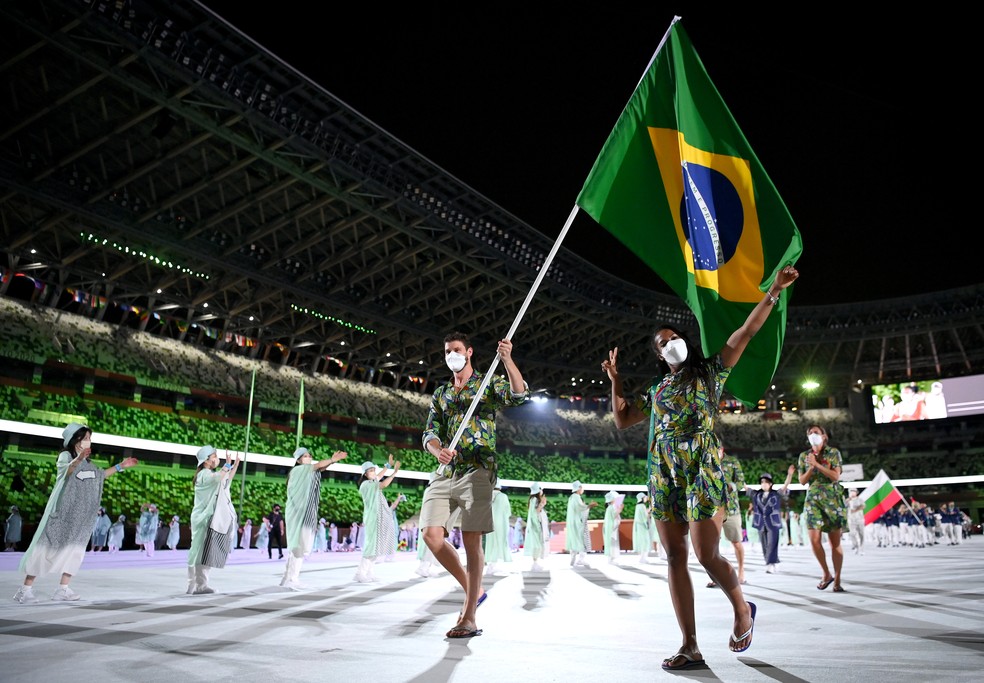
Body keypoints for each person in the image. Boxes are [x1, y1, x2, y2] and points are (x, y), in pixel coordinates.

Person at [601, 264, 798, 669]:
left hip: (702, 472)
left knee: (706, 555)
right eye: (663, 342)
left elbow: (745, 332)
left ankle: (742, 609)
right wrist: (616, 381)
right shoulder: (657, 390)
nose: (671, 343)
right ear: (657, 354)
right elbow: (622, 419)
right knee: (674, 558)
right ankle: (690, 644)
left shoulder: (709, 372)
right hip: (663, 475)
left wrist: (774, 292)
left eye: (674, 337)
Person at [420, 332, 528, 639]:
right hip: (446, 470)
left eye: (456, 350)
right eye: (446, 351)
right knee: (431, 534)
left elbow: (519, 395)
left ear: (469, 352)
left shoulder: (487, 383)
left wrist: (507, 360)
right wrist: (436, 449)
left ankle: (469, 617)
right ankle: (473, 588)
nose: (451, 355)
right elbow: (429, 432)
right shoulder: (440, 393)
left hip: (479, 468)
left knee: (471, 541)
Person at [14, 423, 137, 603]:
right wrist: (78, 458)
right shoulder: (66, 456)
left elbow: (100, 476)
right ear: (75, 439)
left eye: (89, 438)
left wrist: (121, 466)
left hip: (81, 516)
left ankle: (63, 589)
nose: (88, 442)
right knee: (46, 549)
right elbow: (67, 471)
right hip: (63, 512)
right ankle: (25, 590)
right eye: (85, 438)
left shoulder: (88, 463)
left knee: (74, 551)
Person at [281, 446, 347, 589]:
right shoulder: (298, 470)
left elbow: (320, 469)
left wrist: (332, 462)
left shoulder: (306, 471)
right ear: (298, 460)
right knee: (298, 547)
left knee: (298, 547)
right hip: (298, 514)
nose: (309, 457)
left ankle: (288, 577)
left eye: (310, 455)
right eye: (305, 456)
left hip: (303, 513)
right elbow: (317, 466)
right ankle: (291, 579)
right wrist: (332, 459)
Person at [798, 424, 848, 593]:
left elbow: (835, 476)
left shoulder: (833, 453)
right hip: (813, 500)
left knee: (835, 543)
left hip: (832, 500)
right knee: (814, 540)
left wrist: (818, 465)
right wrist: (811, 467)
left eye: (816, 432)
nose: (813, 435)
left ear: (824, 436)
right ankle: (826, 573)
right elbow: (802, 481)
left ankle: (838, 578)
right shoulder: (804, 456)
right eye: (810, 433)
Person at [186, 445, 241, 595]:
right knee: (199, 552)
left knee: (205, 552)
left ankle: (199, 585)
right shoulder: (204, 474)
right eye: (214, 456)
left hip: (208, 518)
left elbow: (225, 479)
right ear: (206, 461)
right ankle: (197, 586)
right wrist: (227, 465)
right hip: (203, 518)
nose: (217, 458)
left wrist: (234, 466)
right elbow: (218, 477)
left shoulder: (210, 473)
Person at [355, 457, 400, 582]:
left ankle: (369, 572)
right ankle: (360, 573)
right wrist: (393, 472)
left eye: (374, 470)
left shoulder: (371, 484)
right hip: (373, 519)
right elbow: (383, 484)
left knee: (376, 547)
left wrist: (388, 467)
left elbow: (378, 479)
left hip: (377, 518)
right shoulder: (366, 484)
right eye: (370, 470)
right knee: (371, 546)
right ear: (365, 474)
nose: (373, 472)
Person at [707, 446, 747, 587]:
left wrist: (731, 486)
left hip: (731, 508)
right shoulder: (707, 461)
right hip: (712, 509)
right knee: (712, 546)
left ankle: (741, 571)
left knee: (736, 542)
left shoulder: (733, 461)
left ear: (721, 449)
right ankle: (715, 577)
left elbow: (741, 482)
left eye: (715, 448)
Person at [747, 467, 795, 574]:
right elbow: (745, 487)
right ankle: (769, 562)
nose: (764, 484)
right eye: (762, 482)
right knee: (764, 544)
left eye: (766, 482)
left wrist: (790, 475)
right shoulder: (756, 494)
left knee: (772, 543)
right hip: (760, 523)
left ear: (770, 484)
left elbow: (785, 486)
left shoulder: (776, 494)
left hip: (773, 523)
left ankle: (772, 563)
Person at [565, 480, 598, 567]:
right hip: (578, 524)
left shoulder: (572, 497)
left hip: (573, 523)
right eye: (581, 487)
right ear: (579, 488)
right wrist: (589, 506)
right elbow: (580, 508)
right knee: (583, 540)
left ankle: (573, 557)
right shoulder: (576, 497)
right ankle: (581, 559)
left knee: (574, 540)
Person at [484, 482, 513, 575]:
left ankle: (491, 564)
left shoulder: (487, 496)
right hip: (501, 524)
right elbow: (508, 512)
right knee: (500, 542)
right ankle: (493, 565)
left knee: (490, 543)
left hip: (489, 523)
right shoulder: (503, 496)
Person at [524, 483, 549, 571]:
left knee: (537, 545)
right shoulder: (535, 499)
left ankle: (535, 563)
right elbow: (536, 512)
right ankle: (535, 564)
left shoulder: (532, 499)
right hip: (535, 526)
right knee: (537, 545)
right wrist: (542, 504)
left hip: (535, 526)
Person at [602, 491, 624, 565]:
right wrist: (620, 509)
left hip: (610, 529)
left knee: (612, 543)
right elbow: (614, 515)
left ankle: (611, 559)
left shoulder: (609, 508)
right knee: (612, 544)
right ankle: (611, 559)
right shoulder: (610, 508)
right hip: (610, 529)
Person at [633, 492, 653, 564]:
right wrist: (649, 512)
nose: (646, 498)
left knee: (642, 542)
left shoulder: (638, 506)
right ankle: (643, 558)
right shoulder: (642, 506)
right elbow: (645, 517)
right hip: (643, 526)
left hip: (639, 526)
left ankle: (642, 558)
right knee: (645, 542)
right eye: (645, 497)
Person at [846, 489, 865, 555]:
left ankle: (862, 548)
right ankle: (856, 546)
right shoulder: (848, 500)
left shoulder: (860, 499)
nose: (852, 493)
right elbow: (843, 507)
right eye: (851, 491)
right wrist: (847, 501)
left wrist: (855, 510)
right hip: (851, 520)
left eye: (853, 491)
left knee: (861, 534)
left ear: (856, 493)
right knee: (852, 534)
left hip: (859, 519)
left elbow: (863, 506)